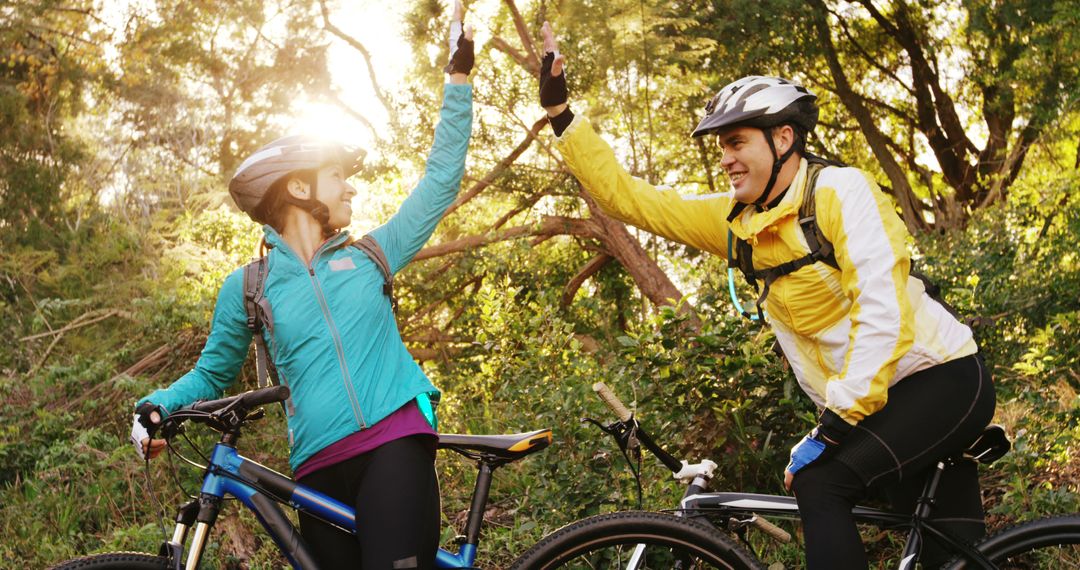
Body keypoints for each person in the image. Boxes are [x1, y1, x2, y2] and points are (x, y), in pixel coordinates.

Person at [537, 22, 995, 569]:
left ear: (783, 139)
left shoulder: (840, 193)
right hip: (870, 405)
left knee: (819, 482)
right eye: (722, 146)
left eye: (737, 142)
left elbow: (884, 310)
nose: (726, 158)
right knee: (952, 559)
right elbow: (630, 200)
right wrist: (561, 115)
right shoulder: (735, 223)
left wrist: (832, 426)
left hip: (936, 379)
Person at [128, 5, 475, 568]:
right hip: (316, 467)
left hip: (393, 441)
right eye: (338, 176)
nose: (350, 190)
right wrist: (159, 405)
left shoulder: (371, 256)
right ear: (298, 185)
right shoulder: (248, 286)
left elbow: (440, 179)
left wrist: (457, 79)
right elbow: (212, 373)